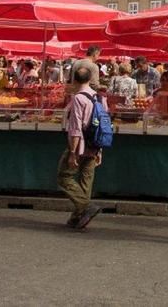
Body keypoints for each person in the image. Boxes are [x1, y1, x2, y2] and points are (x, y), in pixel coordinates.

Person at [56, 65, 104, 229]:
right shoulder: (99, 97)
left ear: (74, 80)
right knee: (86, 180)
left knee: (64, 177)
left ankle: (85, 206)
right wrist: (100, 150)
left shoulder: (78, 98)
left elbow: (75, 128)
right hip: (95, 145)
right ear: (90, 79)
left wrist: (72, 152)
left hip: (81, 145)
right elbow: (102, 125)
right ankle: (77, 217)